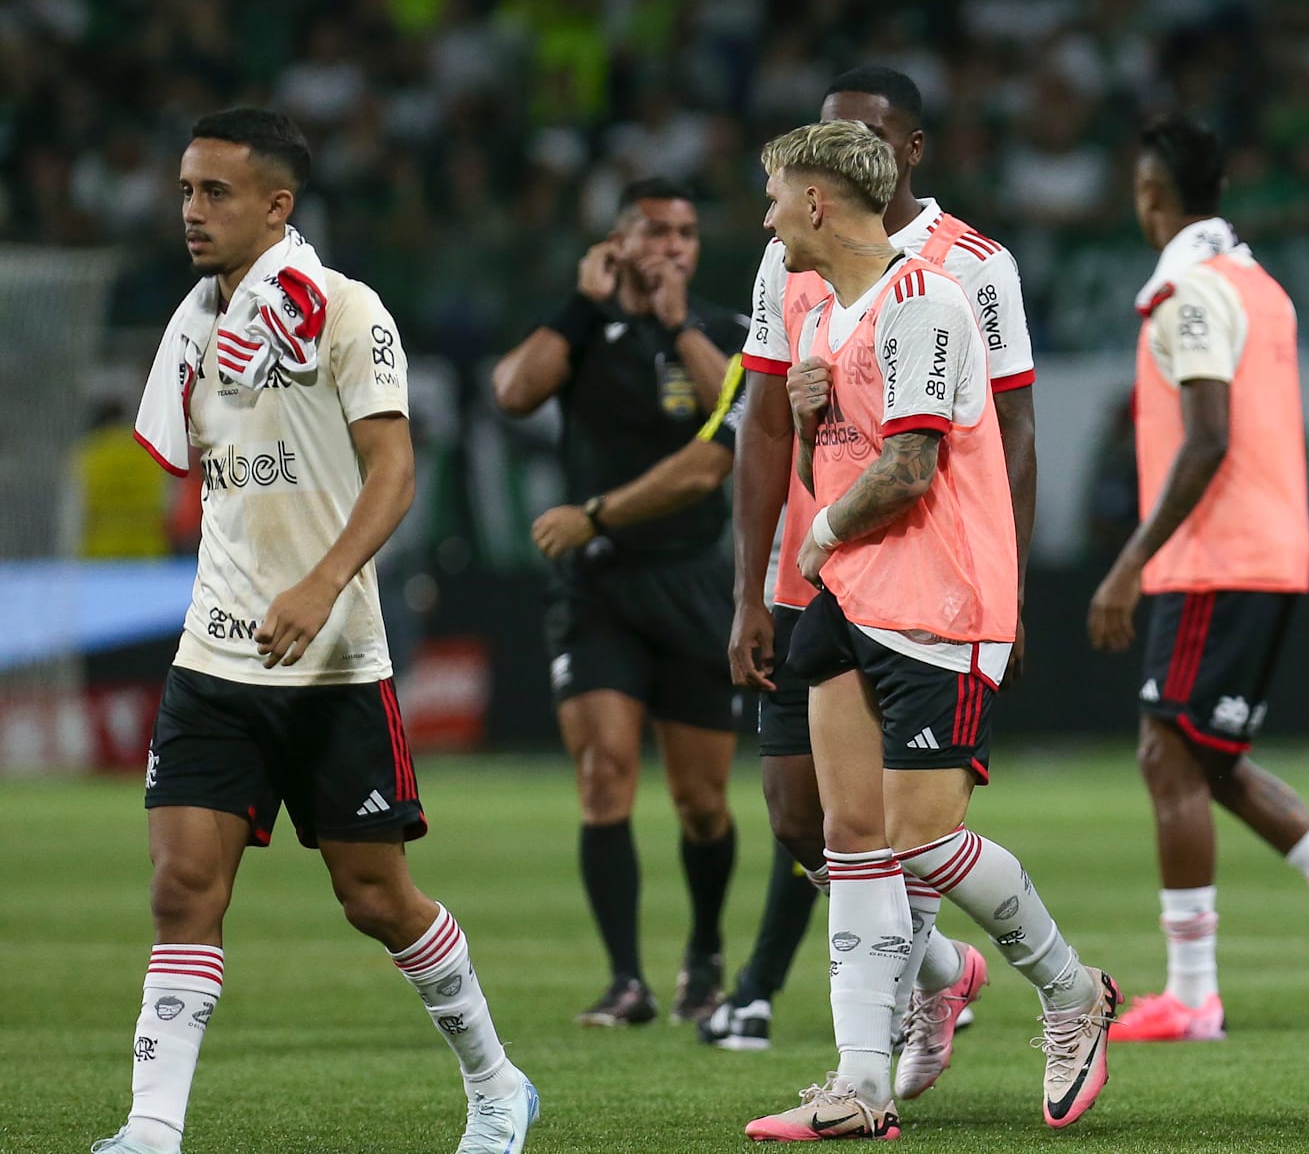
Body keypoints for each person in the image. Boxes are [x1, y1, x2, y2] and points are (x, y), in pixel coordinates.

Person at [108, 108, 533, 1154]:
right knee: (181, 887)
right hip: (214, 657)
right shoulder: (193, 326)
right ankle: (152, 1128)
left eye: (215, 192)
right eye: (184, 192)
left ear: (277, 204)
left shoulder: (346, 310)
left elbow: (395, 468)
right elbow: (204, 476)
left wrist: (320, 578)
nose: (192, 212)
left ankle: (496, 1083)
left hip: (336, 660)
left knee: (376, 897)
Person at [740, 121, 1115, 1142]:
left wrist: (814, 531)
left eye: (775, 193)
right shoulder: (824, 311)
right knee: (852, 839)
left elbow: (908, 470)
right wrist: (815, 419)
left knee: (925, 839)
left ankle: (1072, 991)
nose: (765, 213)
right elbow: (849, 461)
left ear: (818, 201)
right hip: (854, 596)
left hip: (938, 599)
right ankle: (861, 1085)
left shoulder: (926, 300)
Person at [712, 68, 1037, 1090]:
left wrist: (1009, 584)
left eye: (868, 134)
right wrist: (752, 584)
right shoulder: (787, 269)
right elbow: (770, 428)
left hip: (923, 578)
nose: (851, 148)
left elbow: (1001, 435)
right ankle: (929, 991)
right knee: (806, 816)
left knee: (911, 831)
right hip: (817, 577)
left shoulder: (968, 273)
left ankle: (1022, 998)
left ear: (910, 148)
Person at [1086, 116, 1309, 1043]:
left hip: (1217, 557)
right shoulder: (1259, 285)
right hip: (1264, 551)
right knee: (1209, 758)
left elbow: (1208, 438)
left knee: (1167, 753)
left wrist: (1128, 563)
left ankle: (1194, 994)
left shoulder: (1192, 292)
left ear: (1152, 196)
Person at [491, 178, 750, 1027]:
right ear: (617, 241)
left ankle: (705, 952)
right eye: (654, 231)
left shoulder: (720, 328)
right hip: (596, 583)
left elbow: (732, 419)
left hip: (695, 582)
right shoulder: (582, 328)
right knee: (604, 774)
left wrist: (676, 323)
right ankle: (626, 980)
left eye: (685, 232)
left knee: (702, 801)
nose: (672, 246)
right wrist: (579, 298)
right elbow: (513, 392)